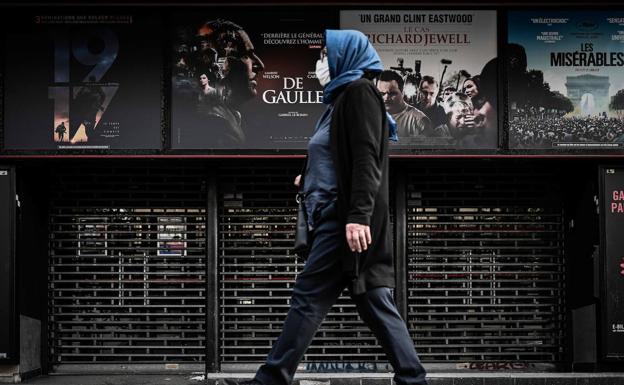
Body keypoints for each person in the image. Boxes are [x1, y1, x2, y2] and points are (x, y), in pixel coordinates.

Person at [225, 30, 428, 385]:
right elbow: (337, 157)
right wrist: (309, 177)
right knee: (374, 299)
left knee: (307, 298)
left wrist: (357, 217)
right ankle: (413, 378)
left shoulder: (359, 93)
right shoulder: (338, 101)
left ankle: (270, 379)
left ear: (345, 56)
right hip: (337, 215)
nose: (320, 64)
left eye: (324, 55)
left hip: (343, 219)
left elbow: (367, 159)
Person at [173, 19, 265, 147]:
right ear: (216, 65)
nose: (260, 65)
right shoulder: (214, 124)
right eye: (244, 55)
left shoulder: (232, 116)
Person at [377, 70, 432, 138]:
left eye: (392, 93)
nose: (386, 97)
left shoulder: (420, 122)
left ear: (402, 93)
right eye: (382, 93)